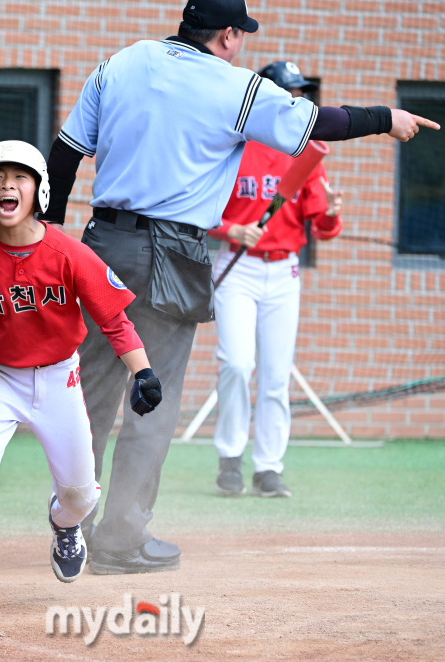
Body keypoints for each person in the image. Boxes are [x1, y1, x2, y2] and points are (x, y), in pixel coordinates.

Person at [40, 0, 440, 575]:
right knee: (152, 397)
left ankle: (68, 527)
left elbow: (66, 154)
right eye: (241, 34)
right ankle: (120, 539)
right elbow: (318, 122)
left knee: (91, 395)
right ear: (227, 35)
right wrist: (386, 117)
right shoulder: (231, 86)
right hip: (170, 253)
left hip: (101, 244)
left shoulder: (120, 64)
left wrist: (49, 238)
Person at [0, 140, 162, 625]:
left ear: (38, 191)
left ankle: (64, 524)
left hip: (59, 377)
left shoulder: (69, 253)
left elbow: (115, 322)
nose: (7, 185)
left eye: (20, 177)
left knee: (81, 495)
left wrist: (142, 374)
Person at [209, 61, 343, 499]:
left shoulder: (305, 152)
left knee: (275, 375)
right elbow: (201, 212)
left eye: (301, 94)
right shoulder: (233, 146)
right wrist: (231, 230)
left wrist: (331, 214)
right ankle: (230, 457)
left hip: (284, 271)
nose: (298, 101)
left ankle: (268, 468)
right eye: (290, 93)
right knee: (235, 362)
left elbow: (320, 227)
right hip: (237, 264)